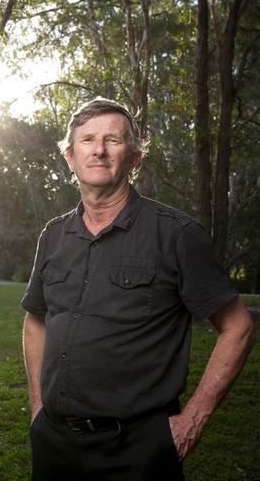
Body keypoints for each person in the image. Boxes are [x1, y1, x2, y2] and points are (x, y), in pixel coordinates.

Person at [21, 97, 256, 481]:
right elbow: (36, 320)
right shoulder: (53, 235)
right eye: (87, 140)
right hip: (55, 444)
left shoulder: (176, 235)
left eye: (113, 140)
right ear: (69, 157)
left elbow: (239, 327)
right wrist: (37, 407)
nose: (98, 150)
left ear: (134, 158)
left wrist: (192, 422)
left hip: (138, 451)